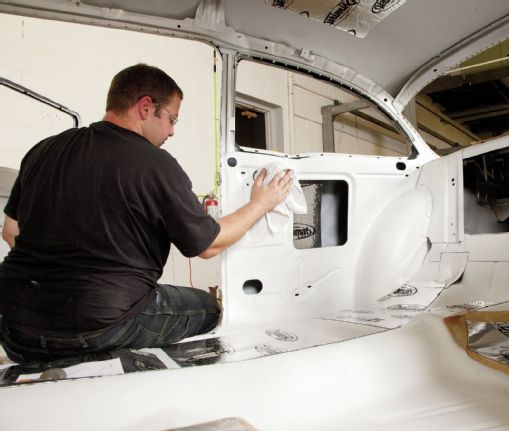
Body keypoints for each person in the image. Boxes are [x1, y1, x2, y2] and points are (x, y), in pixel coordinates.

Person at [0, 64, 293, 364]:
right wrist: (261, 203)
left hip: (14, 327)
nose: (172, 131)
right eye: (171, 119)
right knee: (209, 308)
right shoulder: (154, 164)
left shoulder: (44, 150)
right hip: (99, 326)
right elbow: (209, 244)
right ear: (145, 107)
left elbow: (10, 231)